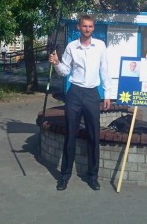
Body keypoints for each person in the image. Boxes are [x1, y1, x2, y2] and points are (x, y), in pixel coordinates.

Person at [48, 14, 112, 191]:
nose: (87, 29)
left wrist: (107, 94)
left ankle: (93, 176)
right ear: (79, 27)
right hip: (74, 93)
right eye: (84, 26)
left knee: (93, 135)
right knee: (70, 135)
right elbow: (64, 71)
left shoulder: (100, 46)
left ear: (93, 28)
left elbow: (105, 70)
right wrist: (56, 63)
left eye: (90, 26)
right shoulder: (71, 47)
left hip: (92, 93)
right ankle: (64, 176)